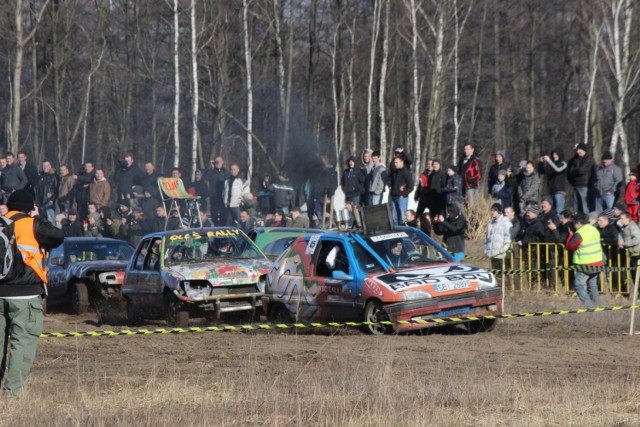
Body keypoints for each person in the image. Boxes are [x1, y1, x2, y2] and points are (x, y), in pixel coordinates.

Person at [0, 189, 64, 397]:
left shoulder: (1, 223)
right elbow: (58, 236)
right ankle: (13, 394)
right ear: (30, 208)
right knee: (22, 343)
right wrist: (37, 217)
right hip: (25, 295)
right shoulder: (32, 224)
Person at [565, 213, 603, 308]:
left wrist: (570, 235)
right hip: (597, 262)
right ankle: (597, 306)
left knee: (578, 285)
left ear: (578, 223)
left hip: (585, 264)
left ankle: (589, 306)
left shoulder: (580, 233)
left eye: (574, 224)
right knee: (593, 285)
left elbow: (571, 246)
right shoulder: (594, 229)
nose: (574, 226)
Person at [537, 147, 568, 213]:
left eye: (556, 154)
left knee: (559, 211)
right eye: (553, 154)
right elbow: (541, 171)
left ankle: (560, 222)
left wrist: (549, 161)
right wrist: (541, 163)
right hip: (551, 191)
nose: (554, 156)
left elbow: (557, 169)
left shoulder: (563, 163)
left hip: (559, 191)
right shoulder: (550, 165)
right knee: (552, 211)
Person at [484, 203, 513, 271]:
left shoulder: (505, 222)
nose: (492, 212)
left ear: (499, 211)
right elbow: (487, 239)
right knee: (496, 275)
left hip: (501, 255)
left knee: (503, 276)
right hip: (493, 254)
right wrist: (486, 250)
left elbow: (508, 238)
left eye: (494, 210)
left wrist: (502, 250)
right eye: (491, 210)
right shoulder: (491, 224)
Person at [567, 143, 594, 215]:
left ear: (584, 150)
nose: (577, 151)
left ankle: (586, 220)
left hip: (585, 185)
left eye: (579, 150)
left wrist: (575, 170)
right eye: (577, 150)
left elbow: (581, 170)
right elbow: (570, 171)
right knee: (575, 206)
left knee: (584, 206)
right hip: (576, 185)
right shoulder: (575, 159)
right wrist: (576, 170)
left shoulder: (589, 159)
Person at [389, 156, 413, 226]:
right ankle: (396, 233)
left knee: (402, 218)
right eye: (394, 162)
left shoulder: (406, 172)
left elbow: (411, 187)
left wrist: (404, 194)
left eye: (397, 162)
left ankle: (404, 232)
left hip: (402, 198)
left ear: (402, 162)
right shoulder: (395, 172)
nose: (395, 164)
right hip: (394, 197)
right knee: (394, 218)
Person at [206, 156, 230, 226]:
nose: (217, 163)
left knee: (223, 215)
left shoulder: (226, 172)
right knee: (214, 215)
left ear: (222, 162)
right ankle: (215, 227)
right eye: (216, 162)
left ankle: (222, 228)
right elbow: (206, 178)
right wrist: (211, 168)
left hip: (223, 197)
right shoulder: (212, 172)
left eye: (219, 162)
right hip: (214, 196)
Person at [35, 160, 59, 224]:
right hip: (40, 201)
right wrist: (36, 200)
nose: (45, 167)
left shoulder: (54, 176)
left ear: (50, 166)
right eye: (44, 166)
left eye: (47, 165)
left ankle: (52, 232)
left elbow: (56, 189)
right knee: (42, 220)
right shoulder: (40, 176)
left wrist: (52, 200)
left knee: (51, 219)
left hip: (49, 201)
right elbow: (37, 189)